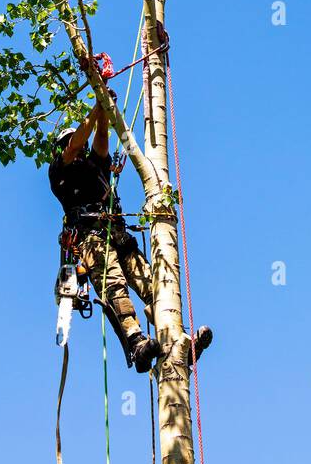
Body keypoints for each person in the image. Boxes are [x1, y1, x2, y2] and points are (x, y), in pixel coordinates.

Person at [49, 92, 212, 374]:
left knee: (153, 285)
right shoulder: (60, 170)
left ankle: (179, 340)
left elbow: (101, 136)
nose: (78, 146)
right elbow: (77, 143)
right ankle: (136, 342)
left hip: (118, 235)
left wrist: (104, 106)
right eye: (71, 143)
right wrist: (97, 105)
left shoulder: (94, 166)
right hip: (91, 240)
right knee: (114, 285)